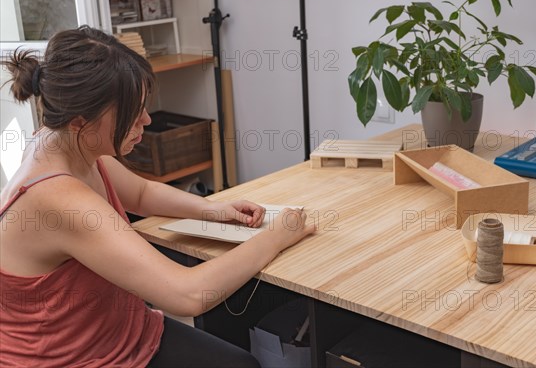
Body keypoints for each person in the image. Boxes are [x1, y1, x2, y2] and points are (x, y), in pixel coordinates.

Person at [0, 26, 315, 367]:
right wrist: (277, 236)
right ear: (81, 121)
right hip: (72, 359)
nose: (146, 121)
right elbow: (188, 294)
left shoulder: (63, 141)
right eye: (132, 115)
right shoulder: (58, 198)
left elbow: (141, 191)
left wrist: (215, 209)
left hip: (117, 331)